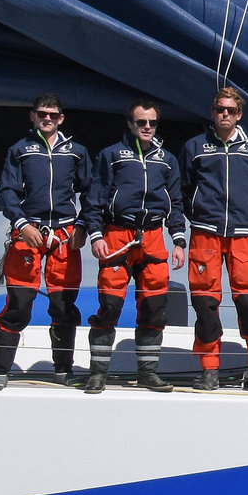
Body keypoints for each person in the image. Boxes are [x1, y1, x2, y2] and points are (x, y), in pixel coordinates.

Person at [0, 92, 94, 389]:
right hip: (28, 232)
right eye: (42, 114)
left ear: (62, 118)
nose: (47, 119)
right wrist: (21, 224)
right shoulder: (20, 150)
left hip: (64, 235)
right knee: (19, 303)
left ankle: (63, 368)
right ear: (32, 116)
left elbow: (91, 193)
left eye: (53, 115)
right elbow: (7, 192)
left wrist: (83, 225)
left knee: (63, 306)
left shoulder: (77, 152)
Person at [86, 101, 187, 395]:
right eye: (141, 122)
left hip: (154, 235)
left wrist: (179, 241)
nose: (147, 127)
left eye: (152, 123)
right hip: (117, 234)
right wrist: (95, 235)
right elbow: (94, 198)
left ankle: (148, 373)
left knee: (155, 308)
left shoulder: (167, 160)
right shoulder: (111, 155)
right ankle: (98, 375)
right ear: (130, 123)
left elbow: (176, 203)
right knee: (110, 306)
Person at [182, 85, 248, 392]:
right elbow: (184, 189)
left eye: (231, 110)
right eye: (220, 109)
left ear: (239, 115)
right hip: (205, 235)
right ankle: (210, 370)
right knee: (205, 304)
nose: (225, 114)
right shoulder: (195, 147)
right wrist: (199, 214)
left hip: (244, 236)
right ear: (212, 113)